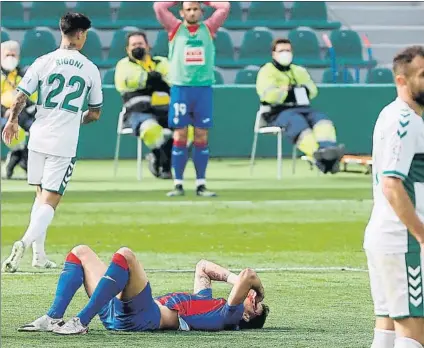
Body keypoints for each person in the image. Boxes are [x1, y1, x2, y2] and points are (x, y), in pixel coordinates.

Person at [1, 12, 103, 273]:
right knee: (50, 200)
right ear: (80, 34)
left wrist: (12, 121)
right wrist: (72, 119)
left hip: (38, 136)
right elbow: (94, 113)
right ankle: (24, 243)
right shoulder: (90, 68)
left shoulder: (43, 62)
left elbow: (20, 96)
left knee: (40, 196)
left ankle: (40, 255)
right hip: (63, 142)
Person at [18, 245, 269, 334]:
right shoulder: (208, 303)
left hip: (143, 316)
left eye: (255, 305)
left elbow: (249, 276)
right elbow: (203, 268)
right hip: (120, 310)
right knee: (80, 252)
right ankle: (52, 318)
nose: (251, 298)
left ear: (247, 316)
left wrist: (259, 290)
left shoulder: (230, 316)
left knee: (126, 256)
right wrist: (235, 281)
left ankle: (81, 321)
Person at [364, 45, 424, 348]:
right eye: (423, 75)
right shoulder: (406, 121)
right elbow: (391, 184)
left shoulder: (391, 114)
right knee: (413, 334)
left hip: (384, 236)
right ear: (402, 80)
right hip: (402, 242)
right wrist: (422, 236)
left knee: (387, 328)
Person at [154, 1, 230, 197]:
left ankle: (201, 184)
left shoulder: (209, 28)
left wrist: (205, 1)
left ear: (201, 11)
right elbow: (159, 7)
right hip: (181, 89)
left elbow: (225, 7)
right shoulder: (175, 28)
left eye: (196, 9)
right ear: (182, 12)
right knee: (180, 135)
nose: (192, 12)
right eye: (188, 9)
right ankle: (178, 184)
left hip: (203, 89)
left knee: (201, 136)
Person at [256, 38, 345, 174]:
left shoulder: (299, 71)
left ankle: (328, 150)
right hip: (277, 112)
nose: (285, 53)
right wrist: (284, 91)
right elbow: (266, 94)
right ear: (273, 54)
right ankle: (318, 155)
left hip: (303, 108)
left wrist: (301, 89)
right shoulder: (266, 71)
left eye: (288, 50)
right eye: (281, 51)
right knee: (297, 123)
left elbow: (313, 90)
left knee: (322, 120)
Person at [114, 31, 174, 179]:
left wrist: (159, 79)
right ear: (127, 49)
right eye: (133, 45)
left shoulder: (162, 62)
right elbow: (127, 81)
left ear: (148, 46)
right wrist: (151, 78)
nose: (137, 47)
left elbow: (173, 78)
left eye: (140, 44)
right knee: (150, 129)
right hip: (137, 111)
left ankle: (162, 163)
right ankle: (161, 160)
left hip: (164, 110)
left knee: (185, 130)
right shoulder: (123, 65)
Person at [1, 40, 37, 180]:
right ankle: (23, 160)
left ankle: (18, 159)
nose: (10, 58)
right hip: (3, 115)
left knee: (37, 130)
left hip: (22, 114)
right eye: (7, 54)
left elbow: (33, 98)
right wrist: (5, 111)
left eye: (13, 55)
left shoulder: (24, 75)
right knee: (11, 128)